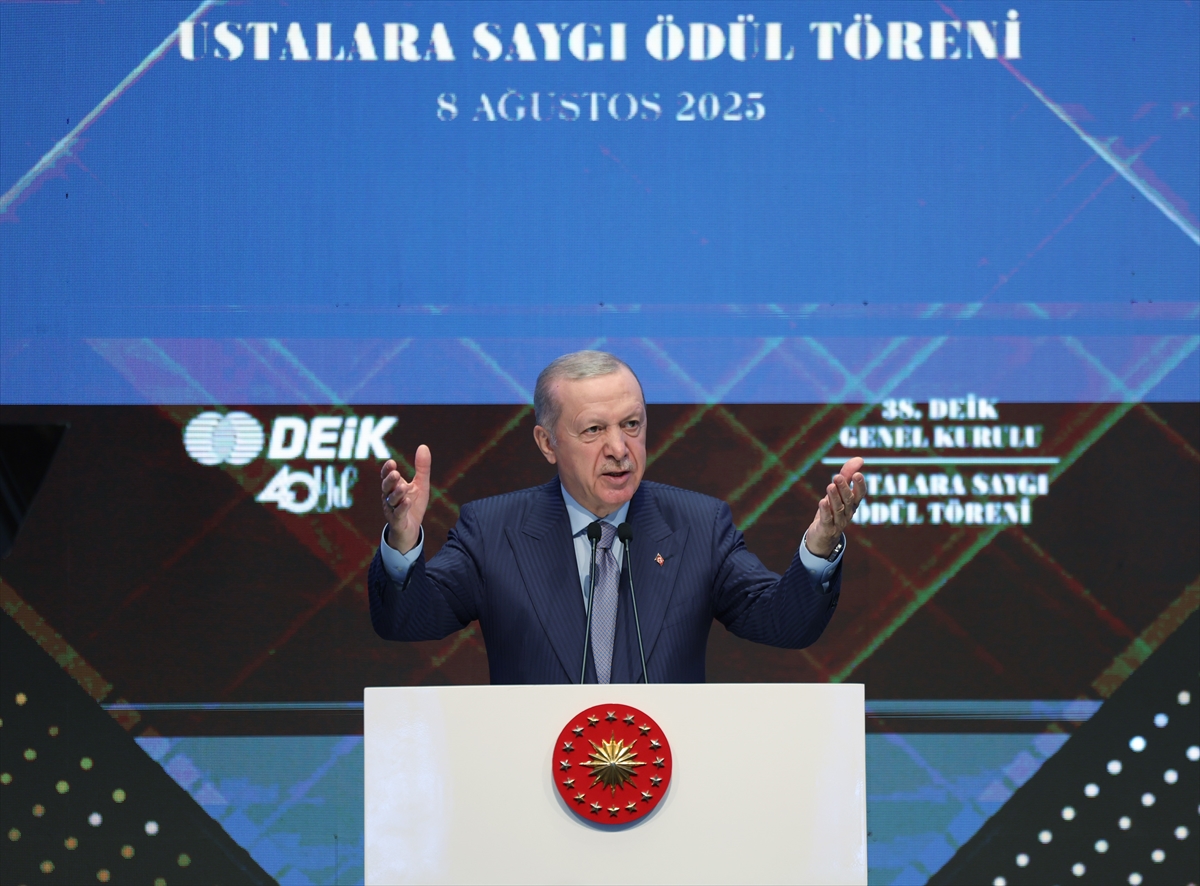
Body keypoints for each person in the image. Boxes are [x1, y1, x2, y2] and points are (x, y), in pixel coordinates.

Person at [368, 350, 864, 684]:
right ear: (547, 443)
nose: (619, 449)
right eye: (593, 431)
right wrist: (403, 541)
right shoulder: (494, 530)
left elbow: (783, 623)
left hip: (667, 790)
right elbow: (408, 620)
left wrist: (820, 544)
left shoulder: (697, 525)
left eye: (631, 425)